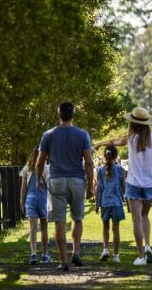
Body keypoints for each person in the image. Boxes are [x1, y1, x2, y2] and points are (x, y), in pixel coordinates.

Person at [94, 106, 152, 266]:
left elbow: (113, 142)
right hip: (150, 184)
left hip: (134, 183)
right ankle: (148, 245)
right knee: (145, 216)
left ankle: (141, 256)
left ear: (133, 123)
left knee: (136, 219)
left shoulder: (130, 137)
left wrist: (99, 144)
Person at [36, 102, 94, 272]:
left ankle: (63, 261)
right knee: (77, 218)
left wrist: (39, 179)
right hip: (77, 181)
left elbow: (40, 162)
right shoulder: (83, 135)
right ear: (73, 114)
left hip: (56, 181)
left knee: (59, 222)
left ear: (58, 114)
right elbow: (89, 163)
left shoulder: (48, 135)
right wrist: (91, 186)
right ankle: (76, 252)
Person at [95, 146, 126, 263]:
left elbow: (99, 189)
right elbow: (124, 188)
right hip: (117, 203)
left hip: (105, 202)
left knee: (105, 228)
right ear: (115, 156)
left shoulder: (99, 170)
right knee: (116, 229)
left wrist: (97, 205)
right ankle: (116, 255)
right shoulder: (121, 170)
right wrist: (128, 202)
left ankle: (106, 249)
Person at [20, 148, 50, 264]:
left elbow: (23, 189)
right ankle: (45, 254)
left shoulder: (27, 169)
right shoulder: (46, 168)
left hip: (30, 200)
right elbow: (50, 187)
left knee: (33, 228)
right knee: (44, 229)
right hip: (43, 200)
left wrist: (22, 201)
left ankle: (33, 254)